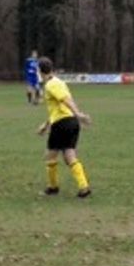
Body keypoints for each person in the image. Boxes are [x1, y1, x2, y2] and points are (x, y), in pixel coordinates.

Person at [37, 57, 93, 198]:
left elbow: (66, 100)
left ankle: (53, 187)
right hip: (71, 122)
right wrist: (46, 124)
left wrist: (78, 113)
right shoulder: (59, 82)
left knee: (50, 156)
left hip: (62, 123)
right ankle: (84, 186)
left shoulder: (50, 85)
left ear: (40, 71)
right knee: (69, 155)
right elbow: (59, 107)